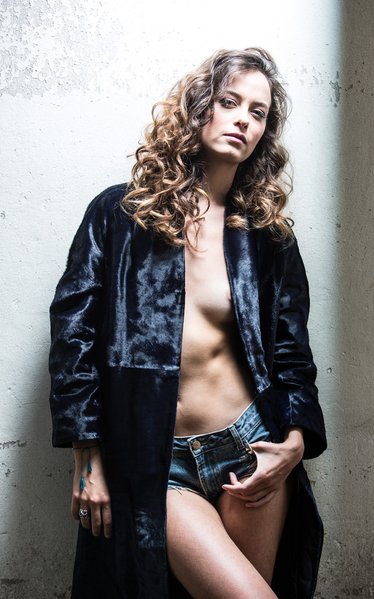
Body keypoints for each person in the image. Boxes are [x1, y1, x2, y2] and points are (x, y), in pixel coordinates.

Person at [49, 47, 327, 599]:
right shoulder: (121, 214)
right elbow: (72, 334)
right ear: (201, 107)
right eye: (230, 102)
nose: (243, 119)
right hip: (157, 459)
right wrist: (87, 453)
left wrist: (295, 442)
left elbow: (292, 353)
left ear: (264, 134)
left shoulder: (267, 236)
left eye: (258, 112)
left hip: (251, 450)